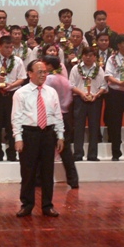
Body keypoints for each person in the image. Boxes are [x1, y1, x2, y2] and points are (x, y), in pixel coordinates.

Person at [12, 60, 65, 217]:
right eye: (40, 72)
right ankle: (27, 204)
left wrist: (60, 135)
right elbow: (16, 117)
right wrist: (18, 138)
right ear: (30, 73)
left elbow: (58, 115)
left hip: (48, 133)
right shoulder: (20, 93)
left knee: (48, 171)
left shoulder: (51, 92)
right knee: (28, 171)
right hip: (29, 134)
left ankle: (47, 205)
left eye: (45, 72)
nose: (43, 75)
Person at [0, 35, 26, 162]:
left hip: (12, 95)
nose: (9, 50)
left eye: (11, 47)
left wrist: (12, 85)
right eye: (6, 47)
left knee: (11, 124)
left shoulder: (18, 60)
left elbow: (22, 78)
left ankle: (12, 154)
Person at [43, 56, 79, 188]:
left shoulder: (49, 79)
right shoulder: (64, 79)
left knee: (47, 149)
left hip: (52, 116)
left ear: (49, 66)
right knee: (66, 150)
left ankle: (42, 180)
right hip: (65, 115)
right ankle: (73, 180)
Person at [68, 46, 107, 161]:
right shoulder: (76, 68)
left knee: (94, 127)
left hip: (95, 100)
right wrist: (81, 93)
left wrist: (97, 94)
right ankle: (78, 154)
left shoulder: (99, 69)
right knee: (78, 127)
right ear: (82, 56)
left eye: (91, 55)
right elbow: (71, 85)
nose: (88, 58)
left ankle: (92, 155)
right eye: (86, 55)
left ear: (95, 57)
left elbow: (104, 86)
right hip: (80, 99)